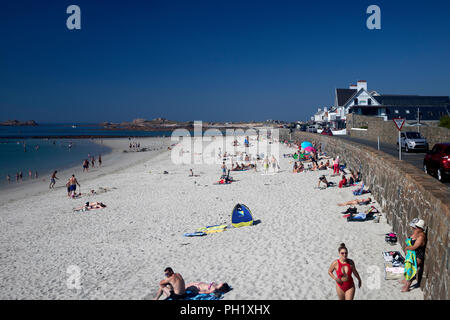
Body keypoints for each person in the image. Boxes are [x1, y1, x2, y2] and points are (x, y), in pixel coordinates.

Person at [401, 219, 426, 292]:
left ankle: (407, 287)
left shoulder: (421, 236)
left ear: (419, 228)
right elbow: (411, 238)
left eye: (415, 227)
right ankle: (406, 281)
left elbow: (415, 247)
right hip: (413, 254)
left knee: (411, 270)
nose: (413, 228)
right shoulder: (417, 233)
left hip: (418, 256)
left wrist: (406, 248)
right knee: (408, 267)